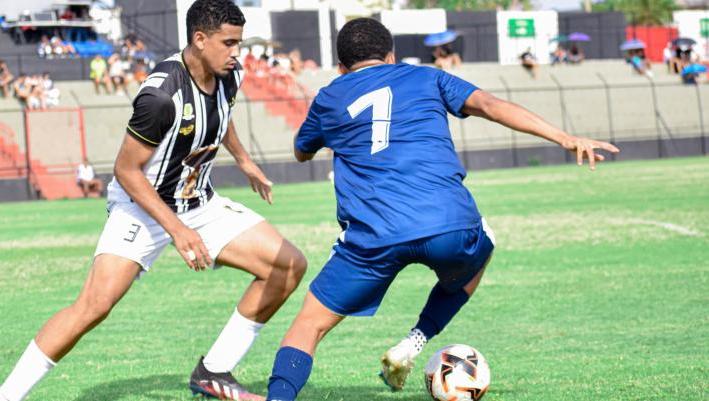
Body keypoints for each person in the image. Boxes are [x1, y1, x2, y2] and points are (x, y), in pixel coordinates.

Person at [264, 18, 620, 401]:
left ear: (340, 66)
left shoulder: (329, 97)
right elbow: (489, 104)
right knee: (483, 249)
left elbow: (302, 151)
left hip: (373, 236)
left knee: (308, 325)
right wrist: (564, 138)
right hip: (448, 225)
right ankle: (414, 342)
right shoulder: (427, 77)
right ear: (391, 56)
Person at [0, 2, 307, 401]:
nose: (236, 52)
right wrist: (177, 230)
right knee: (94, 306)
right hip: (142, 207)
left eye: (238, 43)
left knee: (288, 265)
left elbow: (221, 117)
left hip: (198, 205)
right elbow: (126, 170)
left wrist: (244, 161)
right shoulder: (160, 96)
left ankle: (214, 372)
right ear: (200, 39)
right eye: (228, 43)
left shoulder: (230, 74)